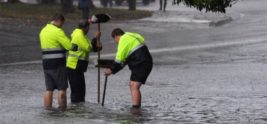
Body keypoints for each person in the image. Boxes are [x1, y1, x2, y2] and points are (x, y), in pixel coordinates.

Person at [104, 28, 153, 109]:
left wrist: (111, 70)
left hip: (141, 63)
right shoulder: (131, 35)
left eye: (114, 40)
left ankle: (135, 110)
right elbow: (125, 60)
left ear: (116, 36)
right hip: (145, 61)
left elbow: (118, 61)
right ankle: (137, 107)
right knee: (132, 85)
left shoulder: (123, 41)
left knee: (134, 85)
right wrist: (113, 70)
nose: (116, 42)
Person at [39, 14, 72, 111]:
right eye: (62, 23)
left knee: (49, 89)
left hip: (46, 64)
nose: (62, 25)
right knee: (62, 88)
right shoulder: (58, 31)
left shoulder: (43, 31)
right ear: (59, 21)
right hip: (58, 64)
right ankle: (63, 110)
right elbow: (69, 46)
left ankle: (47, 110)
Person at [66, 20, 102, 104]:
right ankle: (75, 109)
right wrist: (96, 38)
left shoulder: (82, 35)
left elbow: (91, 47)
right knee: (77, 90)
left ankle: (80, 108)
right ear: (86, 28)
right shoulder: (79, 35)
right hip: (74, 66)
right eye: (88, 28)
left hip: (78, 67)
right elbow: (88, 48)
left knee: (81, 90)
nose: (88, 30)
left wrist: (97, 45)